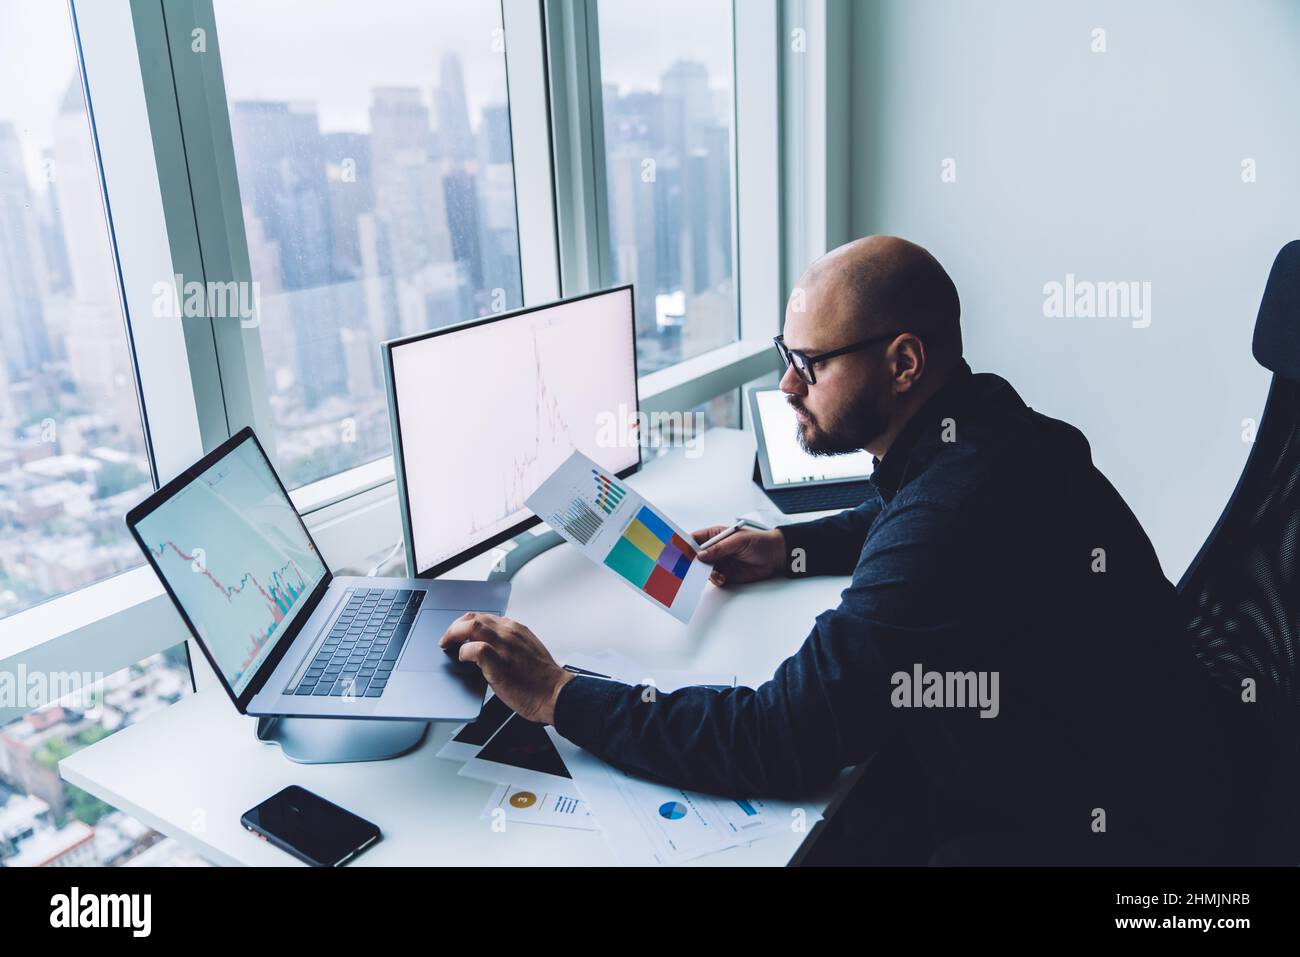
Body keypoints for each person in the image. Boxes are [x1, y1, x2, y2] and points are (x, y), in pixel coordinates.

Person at [440, 235, 1232, 865]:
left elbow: (783, 739)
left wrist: (558, 693)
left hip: (1109, 831)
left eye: (808, 364)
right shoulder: (985, 425)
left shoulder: (953, 511)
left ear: (904, 362)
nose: (787, 387)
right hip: (1145, 751)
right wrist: (786, 546)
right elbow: (900, 507)